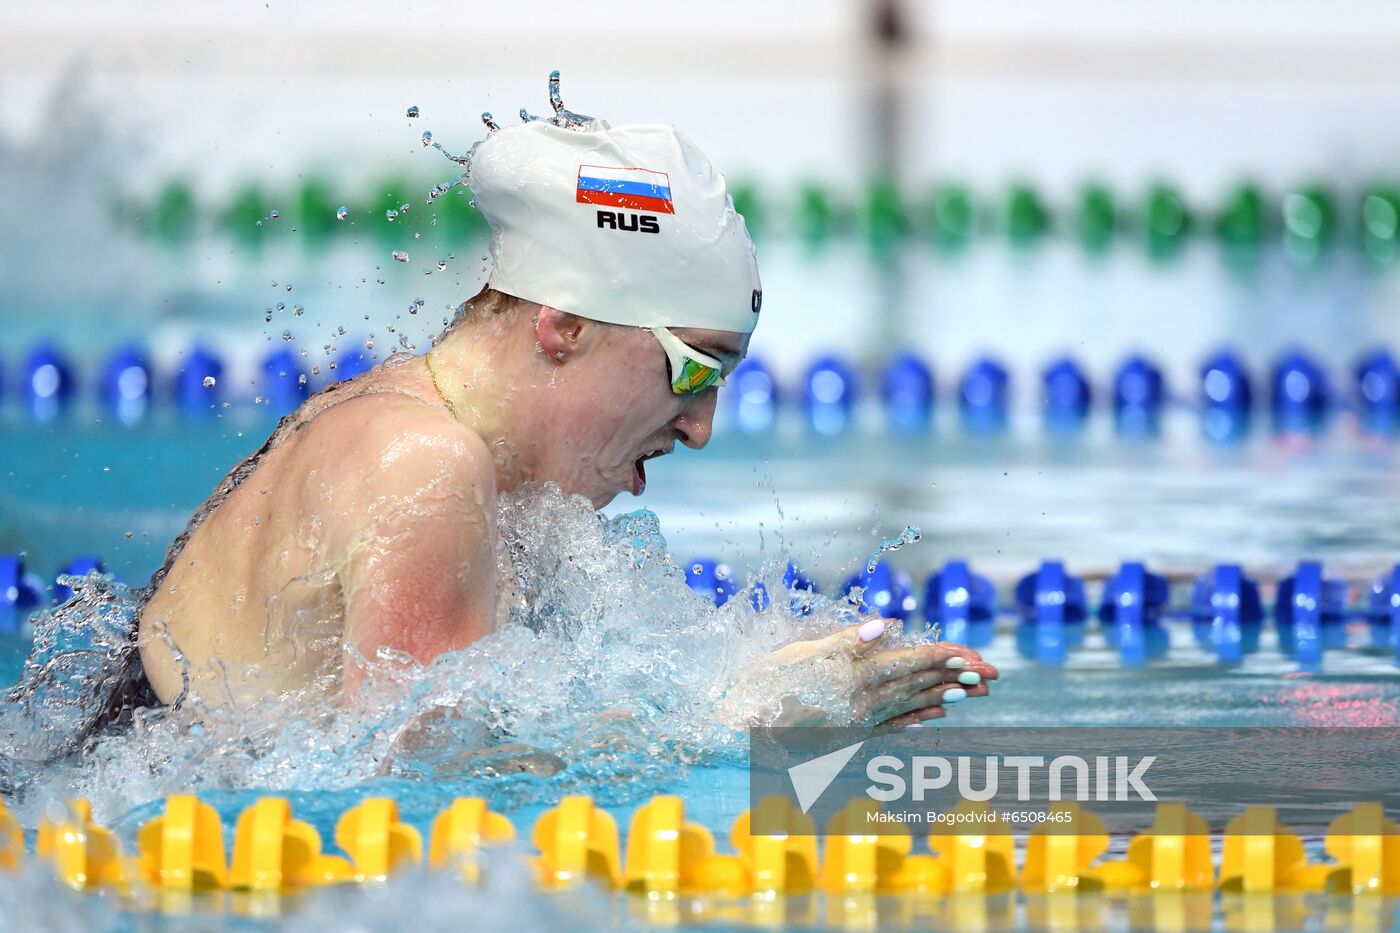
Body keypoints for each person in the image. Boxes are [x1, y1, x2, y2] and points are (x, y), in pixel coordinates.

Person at [115, 75, 997, 739]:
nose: (702, 425)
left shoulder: (454, 452)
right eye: (694, 369)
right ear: (565, 324)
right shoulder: (422, 464)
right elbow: (412, 787)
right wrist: (748, 718)